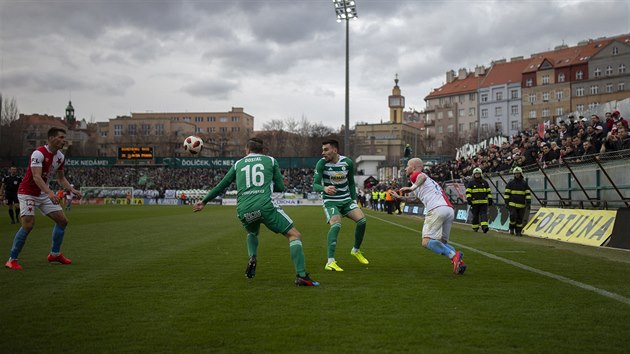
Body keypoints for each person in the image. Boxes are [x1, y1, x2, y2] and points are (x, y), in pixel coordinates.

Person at [192, 138, 319, 287]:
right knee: (294, 235)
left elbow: (222, 185)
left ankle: (252, 256)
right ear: (262, 150)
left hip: (244, 209)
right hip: (265, 206)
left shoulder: (238, 163)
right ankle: (301, 276)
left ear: (247, 150)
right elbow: (279, 187)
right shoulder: (270, 161)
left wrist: (204, 201)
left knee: (252, 232)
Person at [5, 127, 82, 270]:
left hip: (42, 192)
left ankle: (55, 254)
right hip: (27, 192)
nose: (63, 140)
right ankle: (12, 259)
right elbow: (36, 177)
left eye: (64, 138)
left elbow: (61, 178)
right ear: (51, 138)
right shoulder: (38, 153)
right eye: (60, 137)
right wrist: (50, 193)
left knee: (62, 221)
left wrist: (72, 189)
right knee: (28, 225)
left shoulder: (60, 157)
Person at [391, 157, 466, 275]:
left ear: (414, 167)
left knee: (426, 242)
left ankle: (453, 255)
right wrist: (401, 198)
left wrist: (411, 188)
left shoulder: (416, 175)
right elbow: (415, 198)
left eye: (407, 166)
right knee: (442, 243)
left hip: (436, 210)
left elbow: (422, 177)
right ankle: (459, 262)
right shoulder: (425, 182)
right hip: (448, 210)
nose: (405, 168)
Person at [313, 139, 368, 272]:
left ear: (335, 150)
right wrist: (324, 189)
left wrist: (353, 199)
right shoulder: (321, 163)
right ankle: (330, 261)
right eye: (322, 150)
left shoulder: (347, 162)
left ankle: (356, 250)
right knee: (336, 225)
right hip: (330, 201)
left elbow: (350, 183)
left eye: (326, 150)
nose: (323, 153)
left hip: (346, 200)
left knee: (362, 221)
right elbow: (315, 185)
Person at [504, 166, 531, 236]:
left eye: (518, 173)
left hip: (521, 205)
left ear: (521, 174)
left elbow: (527, 194)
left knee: (520, 219)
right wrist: (506, 202)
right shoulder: (510, 183)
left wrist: (528, 202)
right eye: (515, 173)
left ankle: (518, 231)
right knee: (513, 216)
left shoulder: (524, 183)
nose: (517, 175)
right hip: (512, 204)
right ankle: (512, 229)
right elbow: (507, 193)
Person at [466, 167, 493, 233]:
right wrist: (469, 199)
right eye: (476, 174)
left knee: (484, 214)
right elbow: (468, 192)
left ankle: (485, 227)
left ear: (480, 174)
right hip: (474, 203)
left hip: (483, 202)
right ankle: (475, 227)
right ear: (474, 175)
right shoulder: (471, 183)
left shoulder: (485, 182)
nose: (477, 175)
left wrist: (490, 199)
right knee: (475, 215)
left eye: (478, 174)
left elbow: (488, 192)